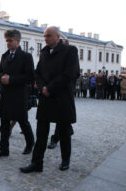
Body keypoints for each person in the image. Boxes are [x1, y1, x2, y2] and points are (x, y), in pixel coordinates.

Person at [20, 26, 79, 173]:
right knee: (41, 133)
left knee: (64, 132)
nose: (45, 39)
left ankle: (65, 160)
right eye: (44, 36)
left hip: (62, 97)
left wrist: (50, 88)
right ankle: (36, 163)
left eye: (48, 36)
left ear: (58, 37)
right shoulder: (44, 52)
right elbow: (38, 73)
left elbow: (70, 74)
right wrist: (42, 87)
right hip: (46, 98)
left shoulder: (70, 51)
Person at [0, 29, 34, 159]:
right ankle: (3, 149)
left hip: (19, 95)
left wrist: (11, 80)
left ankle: (30, 143)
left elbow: (30, 77)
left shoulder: (26, 56)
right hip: (6, 95)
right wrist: (1, 77)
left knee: (23, 122)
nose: (8, 43)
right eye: (7, 40)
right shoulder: (4, 56)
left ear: (18, 41)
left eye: (10, 40)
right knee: (4, 124)